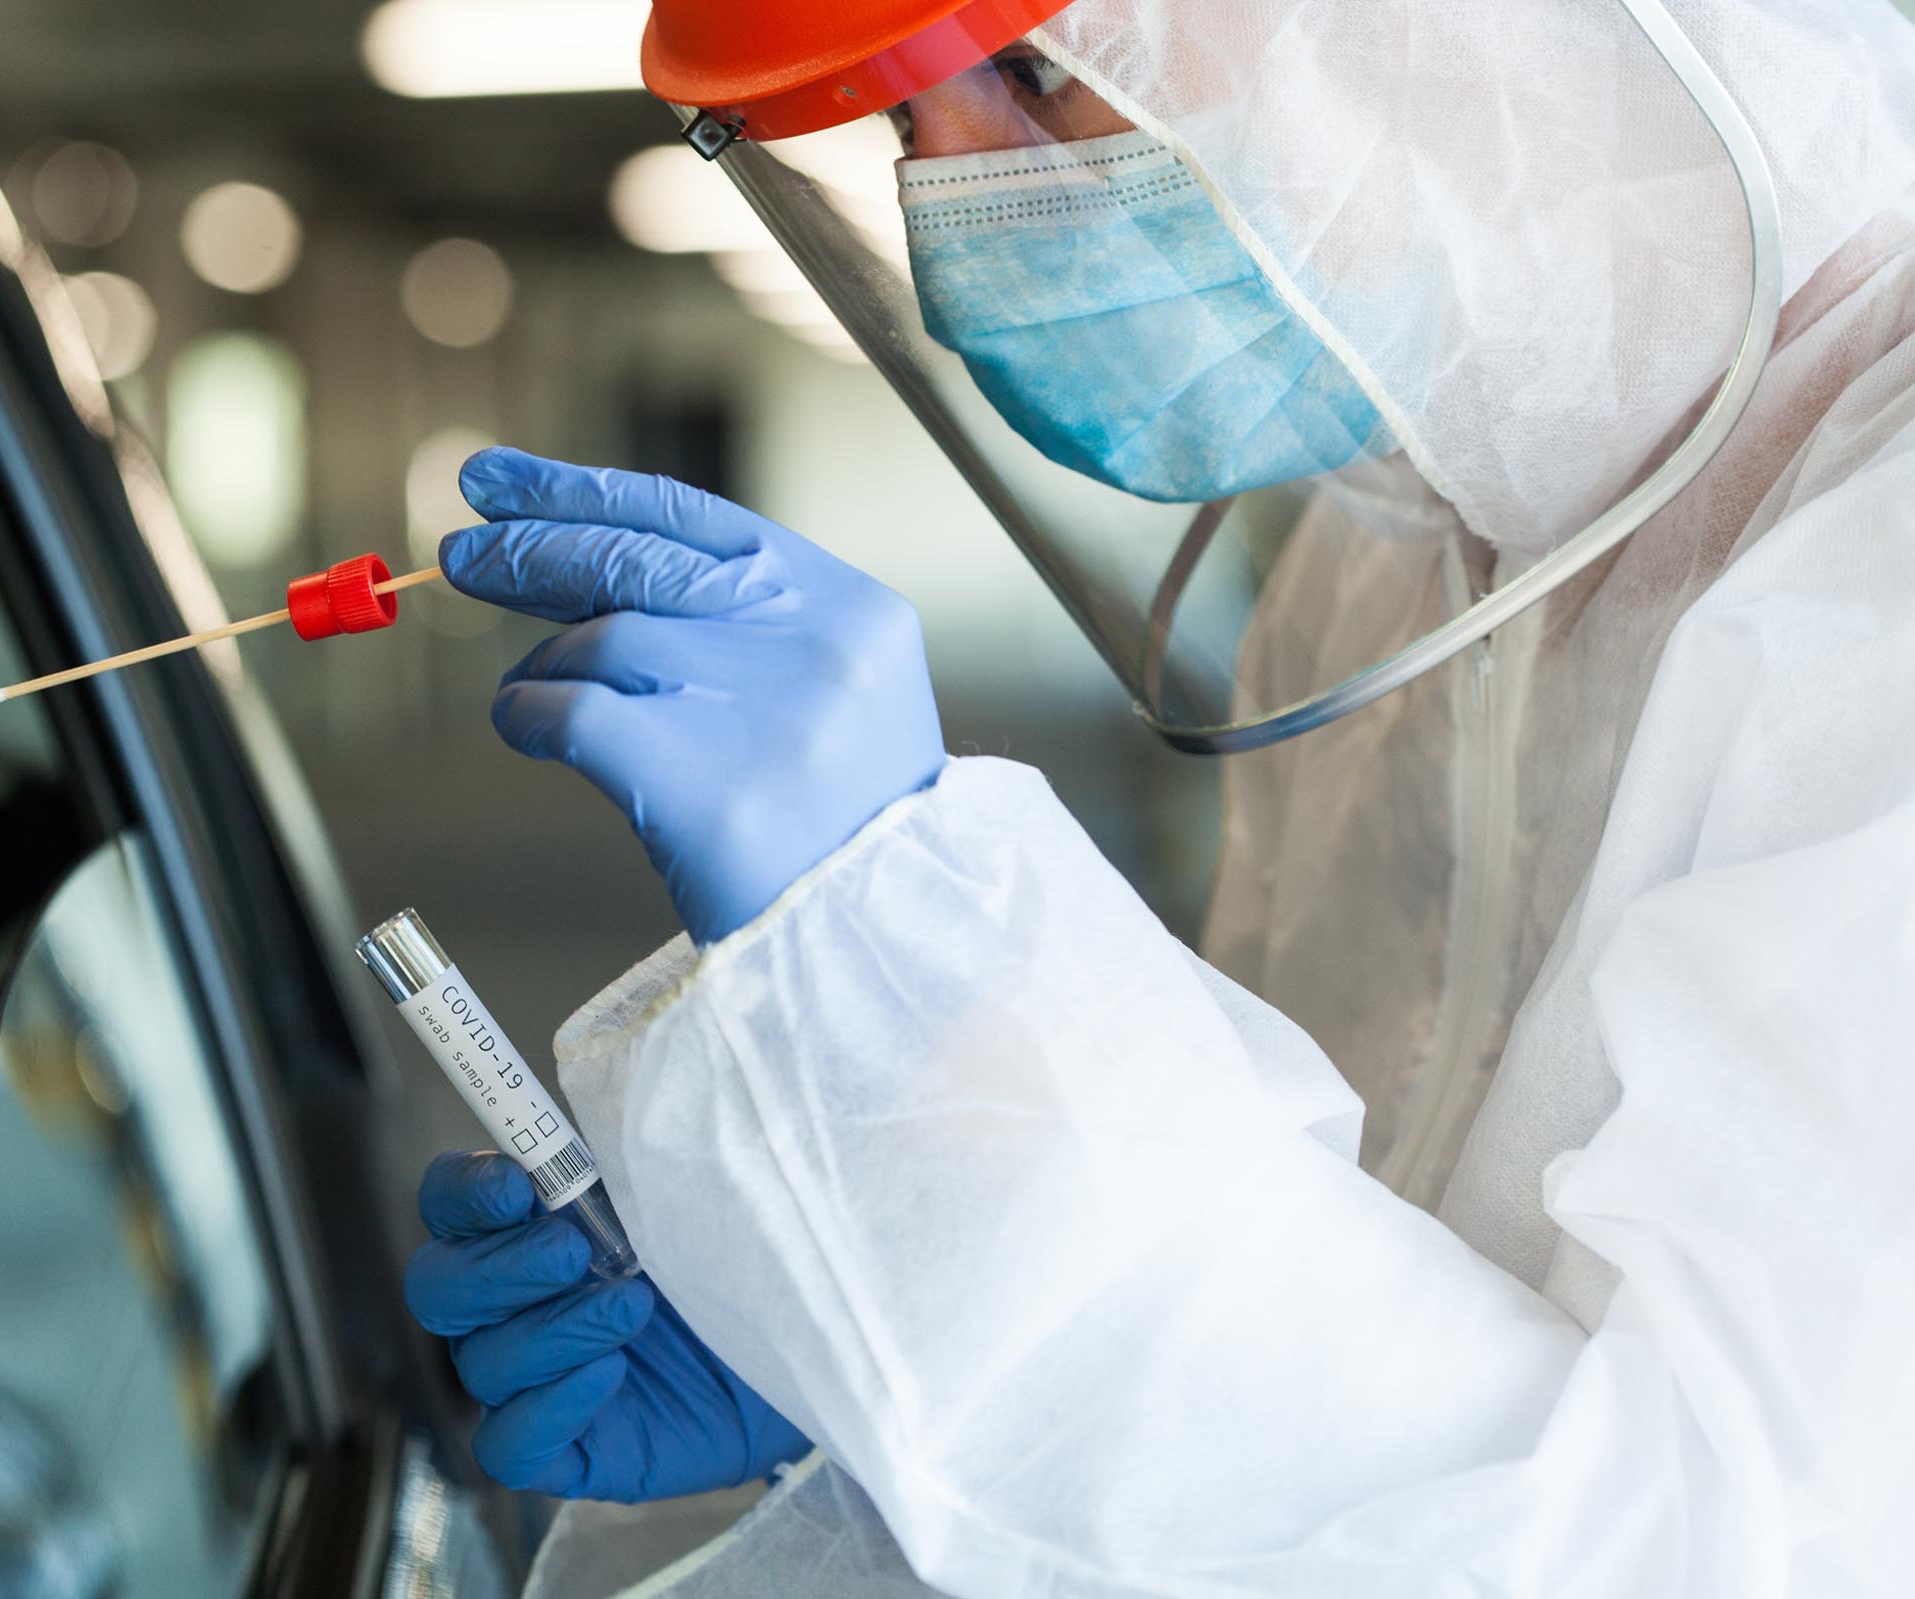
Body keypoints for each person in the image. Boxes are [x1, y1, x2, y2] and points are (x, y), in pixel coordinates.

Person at [402, 1, 1915, 1592]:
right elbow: (1342, 1298)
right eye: (908, 122)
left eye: (1047, 70)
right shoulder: (1390, 577)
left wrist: (900, 949)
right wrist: (894, 1319)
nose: (953, 207)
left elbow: (1705, 1547)